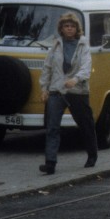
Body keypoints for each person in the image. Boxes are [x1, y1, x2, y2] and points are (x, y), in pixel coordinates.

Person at [39, 12, 98, 175]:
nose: (69, 29)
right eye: (66, 26)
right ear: (61, 29)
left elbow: (87, 67)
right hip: (57, 90)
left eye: (72, 26)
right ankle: (50, 163)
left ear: (77, 28)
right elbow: (47, 68)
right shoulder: (56, 45)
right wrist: (44, 88)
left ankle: (92, 154)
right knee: (52, 127)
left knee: (85, 123)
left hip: (77, 91)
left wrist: (76, 79)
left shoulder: (83, 45)